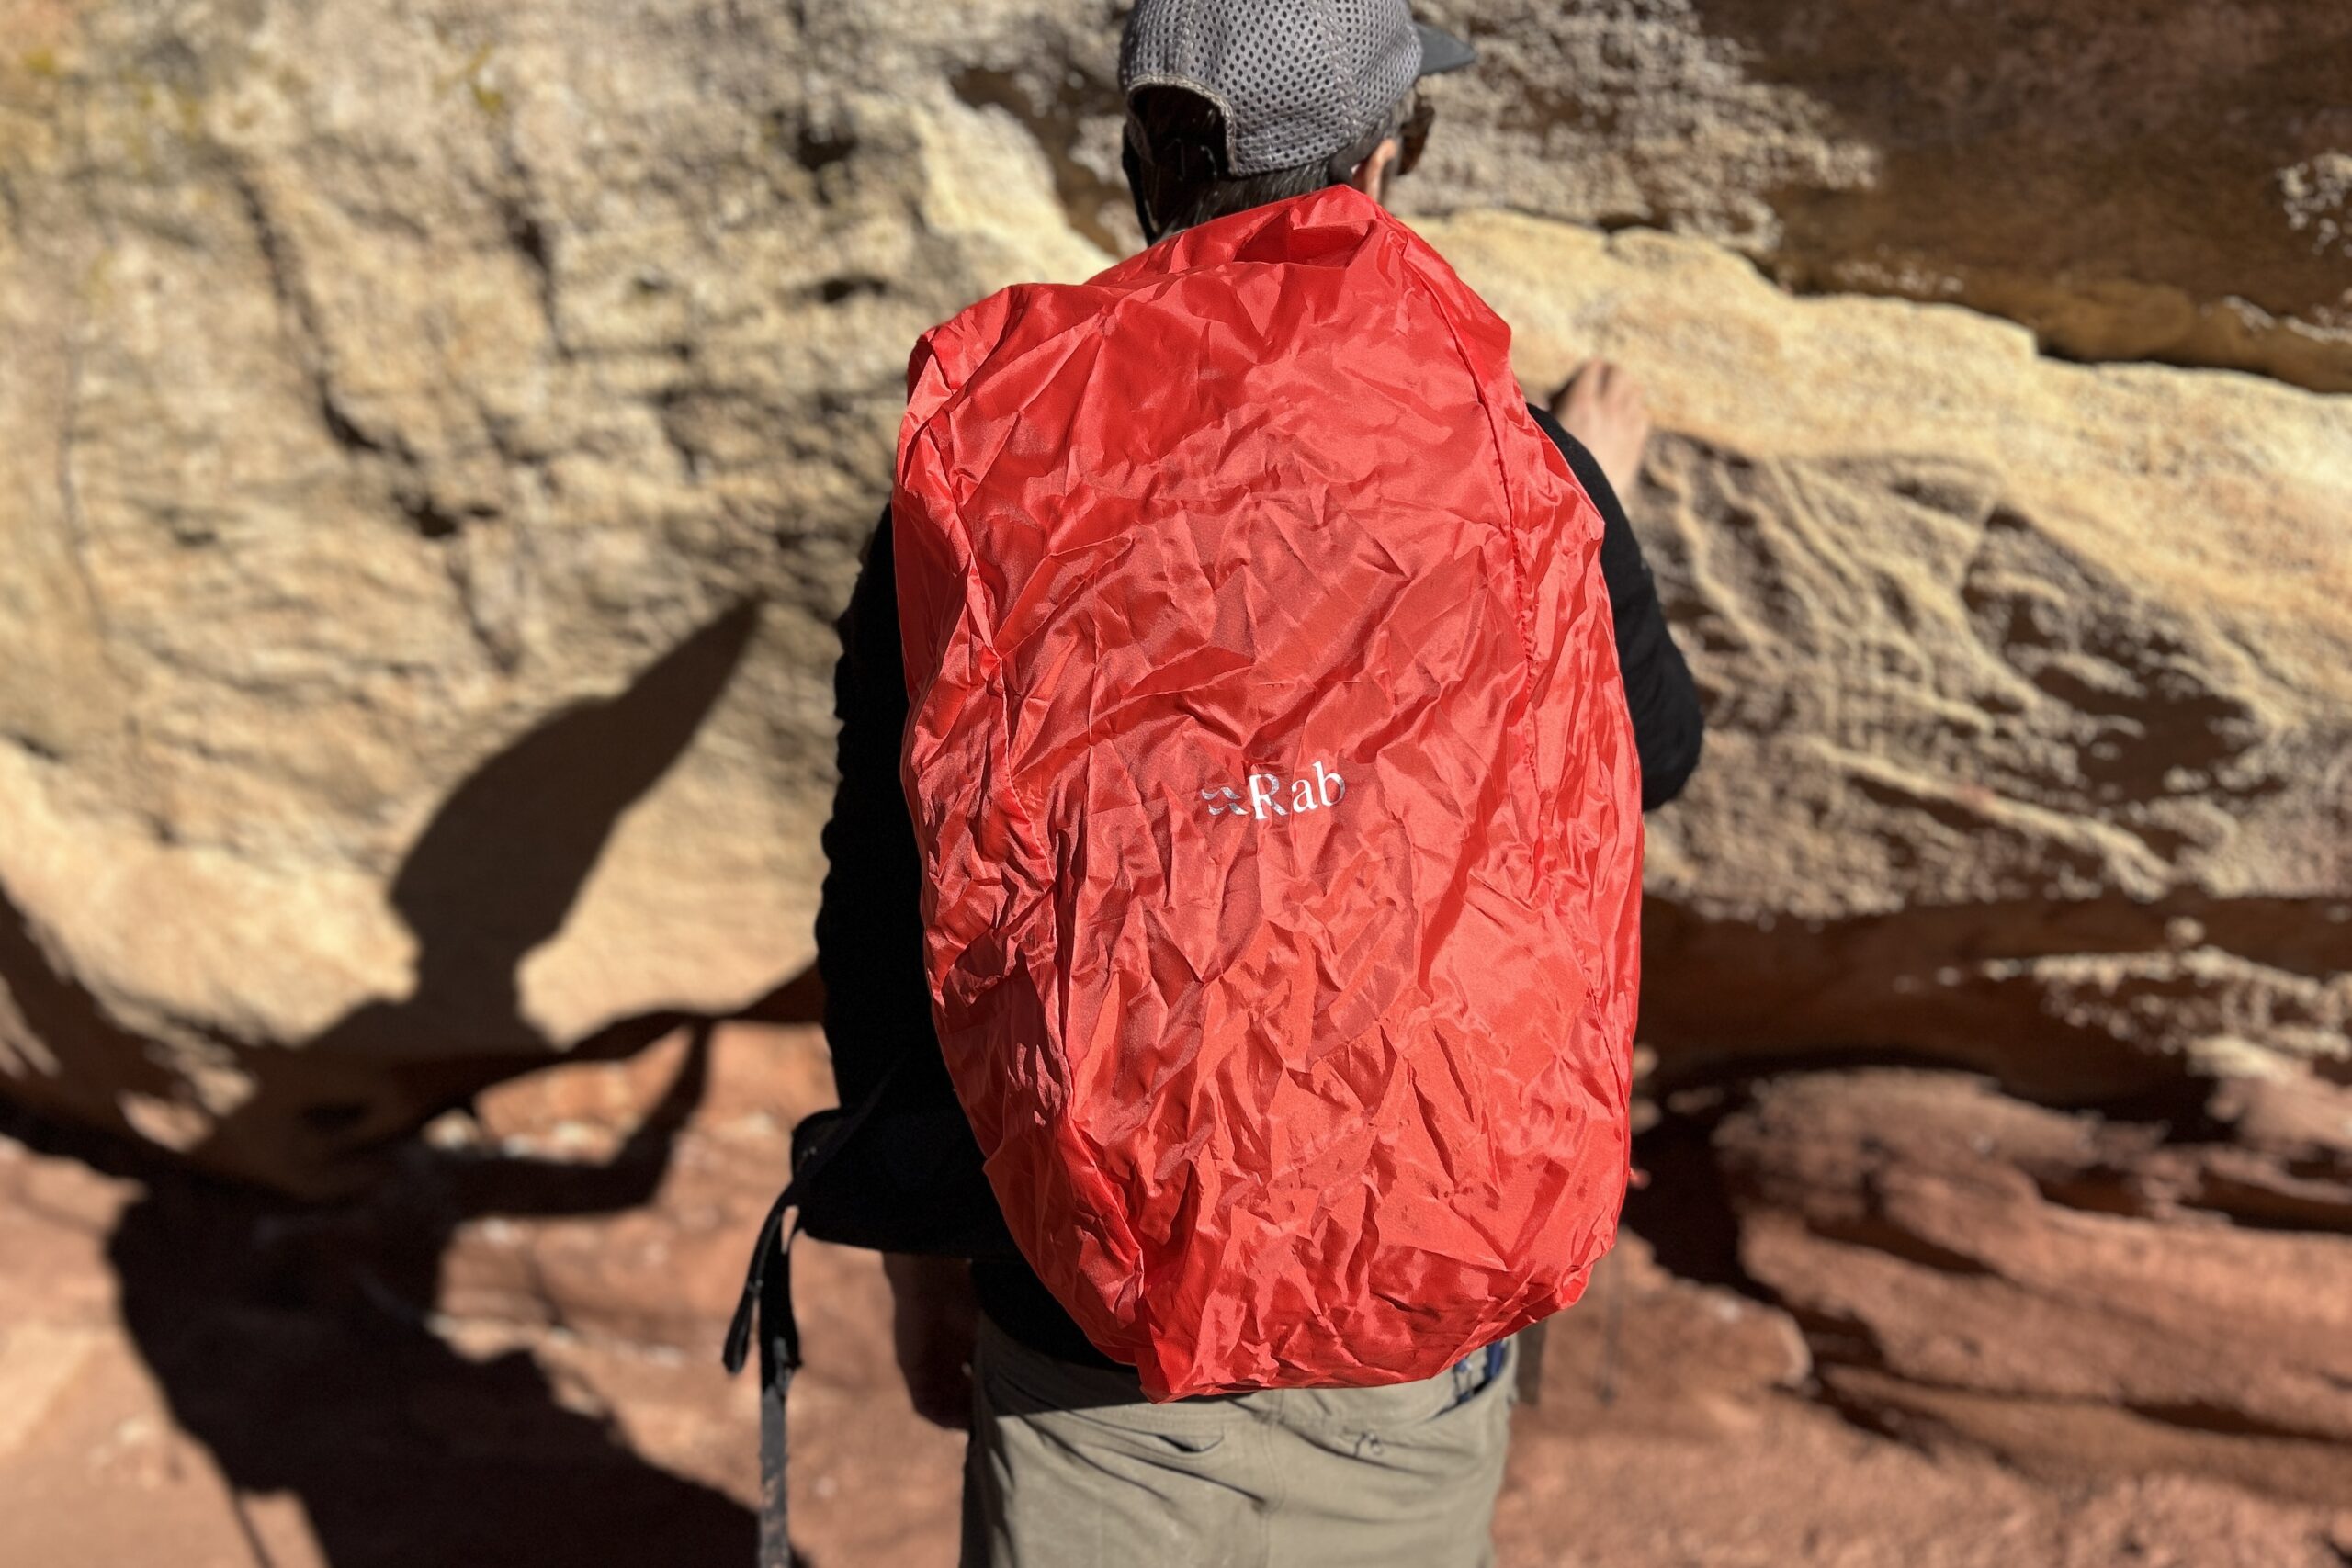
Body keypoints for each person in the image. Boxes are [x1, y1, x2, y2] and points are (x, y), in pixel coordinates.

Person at [814, 4, 1704, 1563]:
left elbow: (890, 904)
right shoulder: (1524, 465)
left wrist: (920, 1248)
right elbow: (1656, 757)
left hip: (1092, 1313)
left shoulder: (987, 480)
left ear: (1135, 164)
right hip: (1409, 1304)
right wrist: (1597, 494)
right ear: (1379, 163)